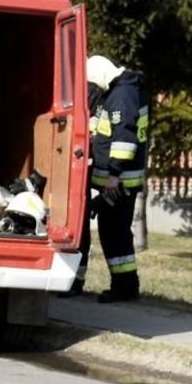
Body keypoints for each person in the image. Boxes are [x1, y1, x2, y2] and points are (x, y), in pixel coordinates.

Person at [68, 54, 149, 301]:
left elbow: (124, 137)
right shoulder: (119, 91)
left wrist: (113, 175)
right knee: (114, 231)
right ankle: (125, 285)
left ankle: (124, 288)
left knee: (115, 232)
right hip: (118, 180)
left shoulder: (122, 95)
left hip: (120, 180)